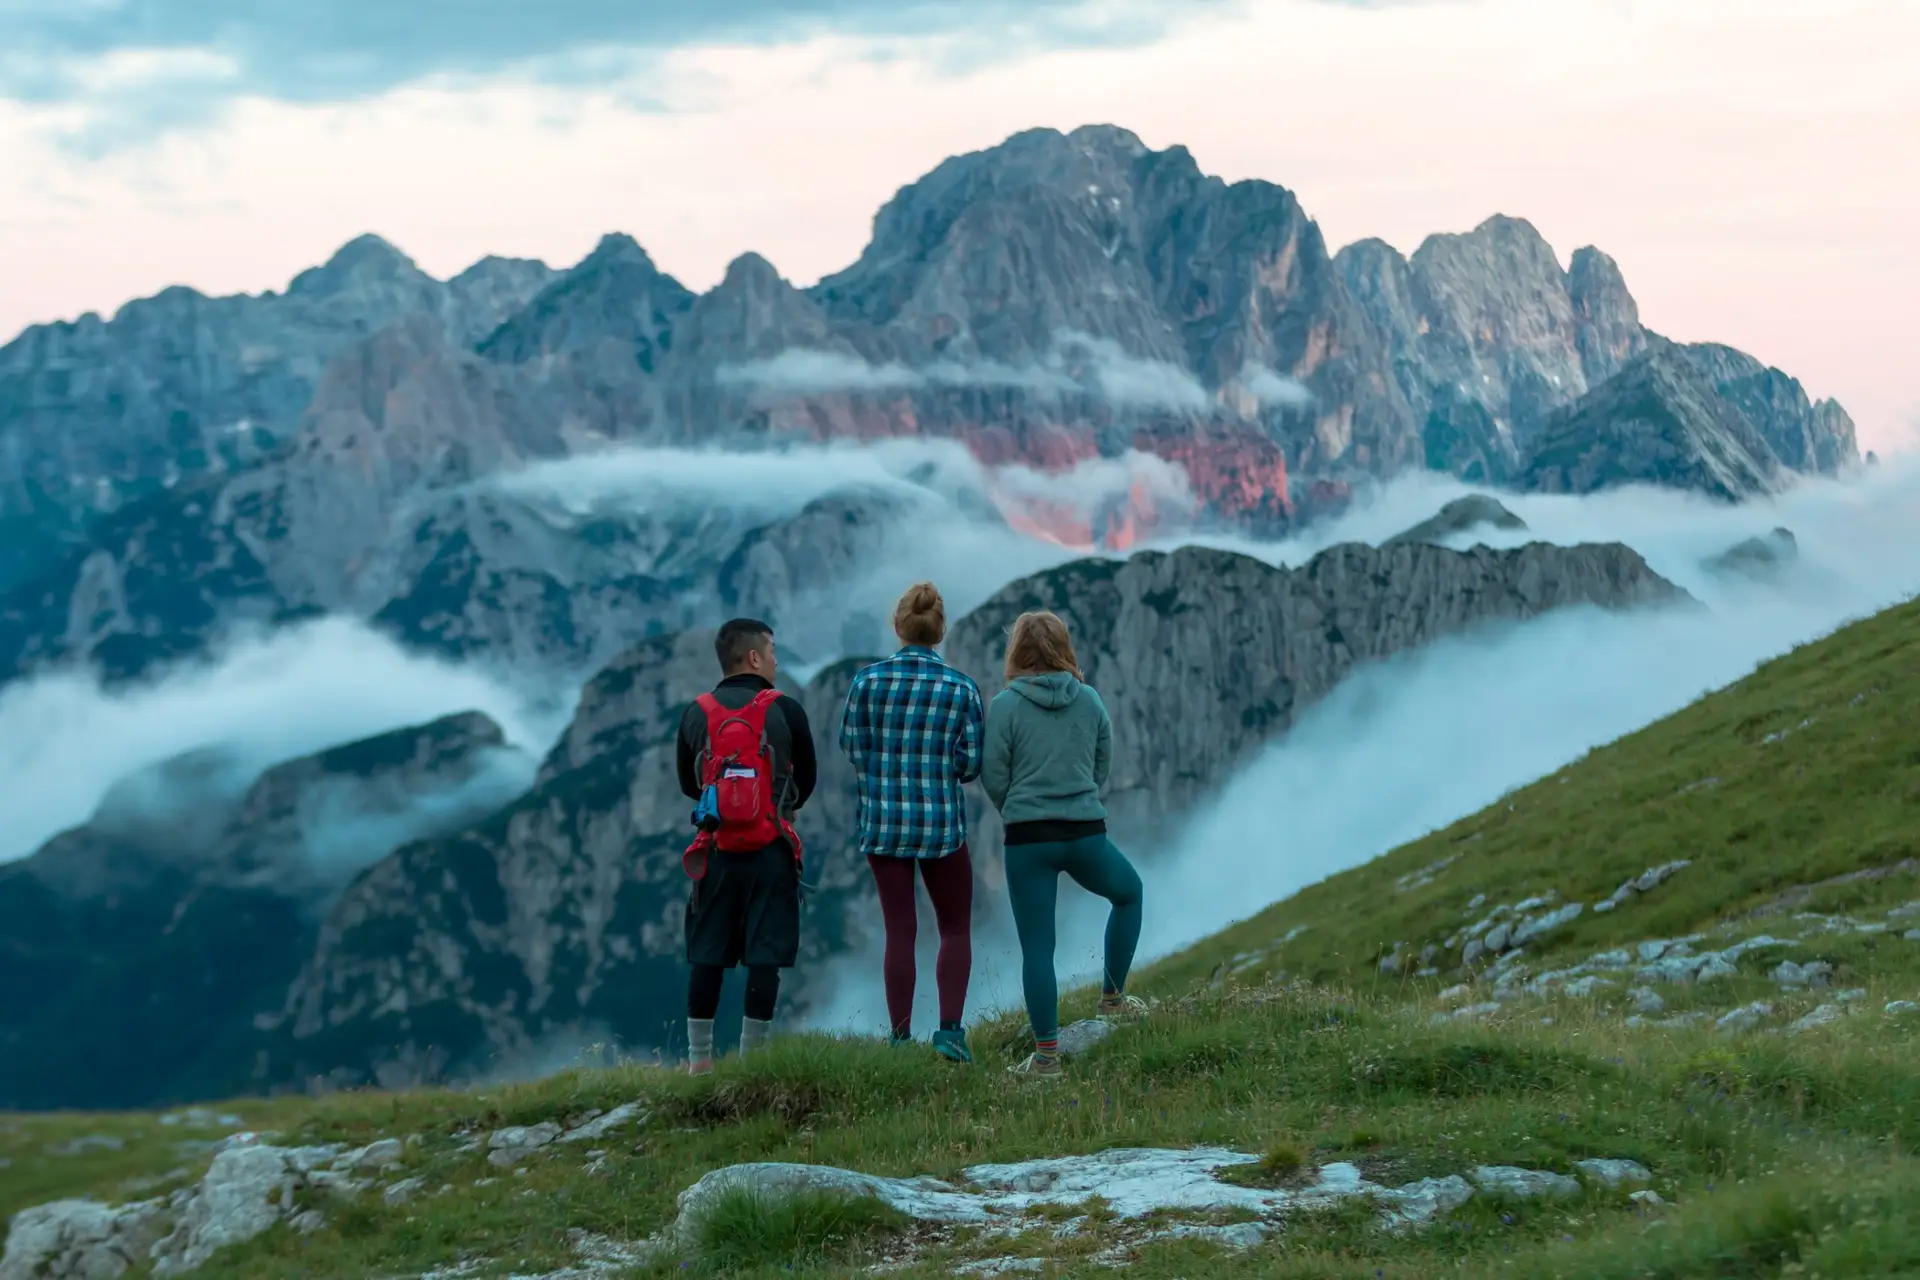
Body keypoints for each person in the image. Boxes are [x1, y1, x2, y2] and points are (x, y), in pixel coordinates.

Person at [981, 610, 1145, 1080]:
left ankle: (1048, 1058)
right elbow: (1101, 765)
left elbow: (994, 775)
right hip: (1084, 832)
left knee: (1038, 948)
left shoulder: (1006, 705)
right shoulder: (1089, 700)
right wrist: (1077, 799)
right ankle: (1113, 999)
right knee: (1129, 893)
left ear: (1018, 652)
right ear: (1063, 647)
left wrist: (1017, 808)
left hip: (1028, 840)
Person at [839, 582, 985, 1064]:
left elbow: (854, 751)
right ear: (940, 631)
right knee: (955, 928)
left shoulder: (867, 682)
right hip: (942, 826)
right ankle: (949, 1033)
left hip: (883, 826)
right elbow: (970, 764)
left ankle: (900, 1038)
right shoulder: (962, 688)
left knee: (900, 930)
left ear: (898, 627)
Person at [675, 617, 818, 1076]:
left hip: (716, 850)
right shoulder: (786, 710)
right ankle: (751, 1061)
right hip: (771, 848)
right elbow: (809, 776)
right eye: (772, 651)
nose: (776, 660)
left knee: (707, 951)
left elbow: (688, 784)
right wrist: (777, 804)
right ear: (754, 657)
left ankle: (699, 1061)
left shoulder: (696, 712)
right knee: (765, 954)